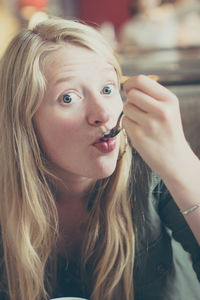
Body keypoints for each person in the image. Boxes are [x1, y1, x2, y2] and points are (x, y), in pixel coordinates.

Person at [0, 16, 200, 300]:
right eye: (68, 98)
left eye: (107, 89)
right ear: (24, 122)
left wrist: (181, 163)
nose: (104, 114)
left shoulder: (149, 165)